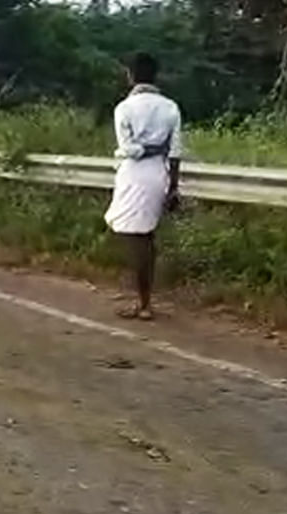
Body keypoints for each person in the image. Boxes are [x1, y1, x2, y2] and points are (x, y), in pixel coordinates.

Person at [103, 52, 183, 321]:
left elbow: (128, 149)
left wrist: (141, 148)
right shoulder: (170, 107)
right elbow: (175, 152)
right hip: (159, 172)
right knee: (146, 237)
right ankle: (145, 299)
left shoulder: (124, 108)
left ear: (131, 75)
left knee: (134, 237)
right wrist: (173, 187)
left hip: (133, 174)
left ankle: (143, 302)